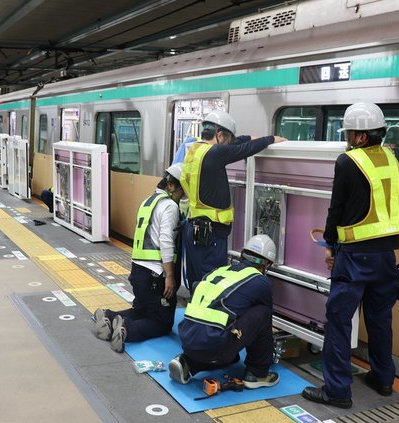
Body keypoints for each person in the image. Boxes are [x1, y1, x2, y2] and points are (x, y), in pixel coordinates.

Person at [302, 102, 399, 409]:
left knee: (338, 321)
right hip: (386, 254)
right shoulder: (390, 157)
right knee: (379, 318)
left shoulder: (348, 162)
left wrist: (331, 246)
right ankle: (383, 379)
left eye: (349, 133)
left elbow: (337, 208)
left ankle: (337, 391)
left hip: (355, 256)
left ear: (361, 136)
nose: (347, 138)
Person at [180, 109, 286, 292]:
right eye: (227, 140)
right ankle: (207, 318)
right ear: (220, 135)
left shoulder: (195, 150)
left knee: (197, 283)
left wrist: (247, 137)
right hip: (210, 235)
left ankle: (194, 314)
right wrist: (271, 139)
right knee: (212, 286)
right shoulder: (214, 154)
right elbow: (241, 149)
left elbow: (235, 144)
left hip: (195, 230)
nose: (228, 145)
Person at [93, 164, 185, 353]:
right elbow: (166, 240)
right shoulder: (169, 206)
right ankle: (127, 329)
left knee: (142, 310)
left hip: (137, 271)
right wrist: (170, 275)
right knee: (162, 322)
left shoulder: (148, 201)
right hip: (155, 275)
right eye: (181, 193)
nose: (181, 198)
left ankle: (109, 316)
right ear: (171, 186)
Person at [169, 234, 279, 389]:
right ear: (267, 265)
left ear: (242, 256)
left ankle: (189, 363)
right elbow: (263, 322)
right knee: (263, 313)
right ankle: (257, 373)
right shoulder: (261, 282)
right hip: (215, 347)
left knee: (228, 354)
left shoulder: (219, 271)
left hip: (187, 340)